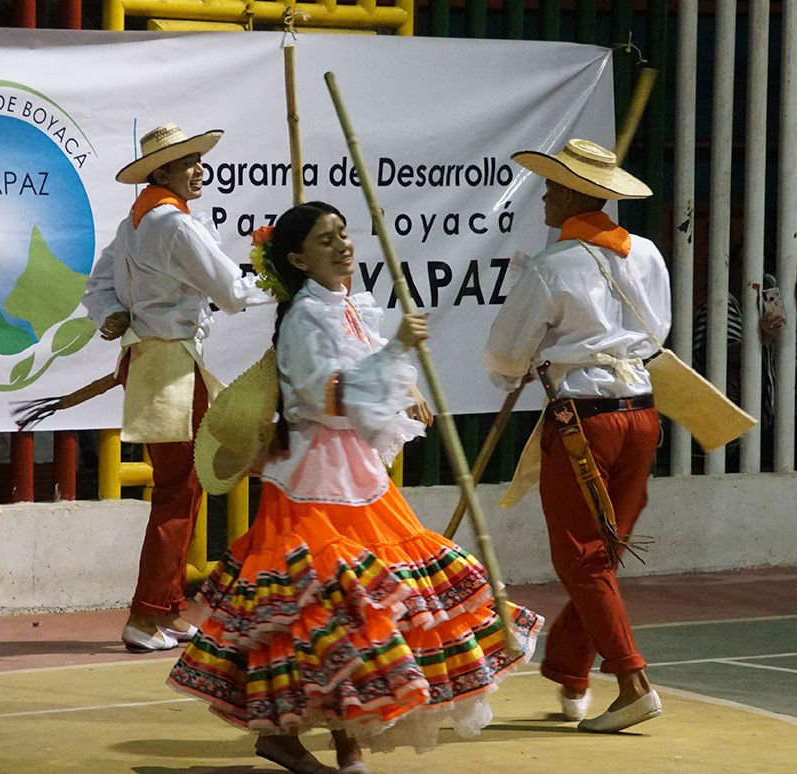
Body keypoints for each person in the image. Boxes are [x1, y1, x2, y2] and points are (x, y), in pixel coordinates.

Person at [169, 202, 543, 773]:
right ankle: (295, 737)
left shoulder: (347, 306)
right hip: (314, 479)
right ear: (298, 258)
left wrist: (401, 378)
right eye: (326, 240)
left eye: (343, 234)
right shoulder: (303, 319)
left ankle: (344, 743)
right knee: (328, 608)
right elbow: (323, 395)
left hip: (355, 473)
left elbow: (366, 371)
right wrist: (394, 357)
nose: (343, 245)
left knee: (360, 611)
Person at [483, 138, 669, 733]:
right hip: (641, 412)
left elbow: (505, 356)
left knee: (583, 559)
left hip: (583, 420)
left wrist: (528, 362)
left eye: (550, 185)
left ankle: (632, 679)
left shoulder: (550, 266)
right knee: (601, 556)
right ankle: (569, 665)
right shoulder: (646, 253)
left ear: (569, 193)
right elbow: (656, 330)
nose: (543, 194)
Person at [82, 123, 270, 653]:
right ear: (161, 171)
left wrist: (115, 313)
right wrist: (283, 279)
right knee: (176, 488)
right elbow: (232, 293)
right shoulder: (175, 226)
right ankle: (144, 617)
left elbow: (96, 287)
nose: (197, 168)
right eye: (186, 161)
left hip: (154, 361)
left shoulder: (134, 223)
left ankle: (166, 606)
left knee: (180, 485)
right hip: (173, 366)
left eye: (196, 158)